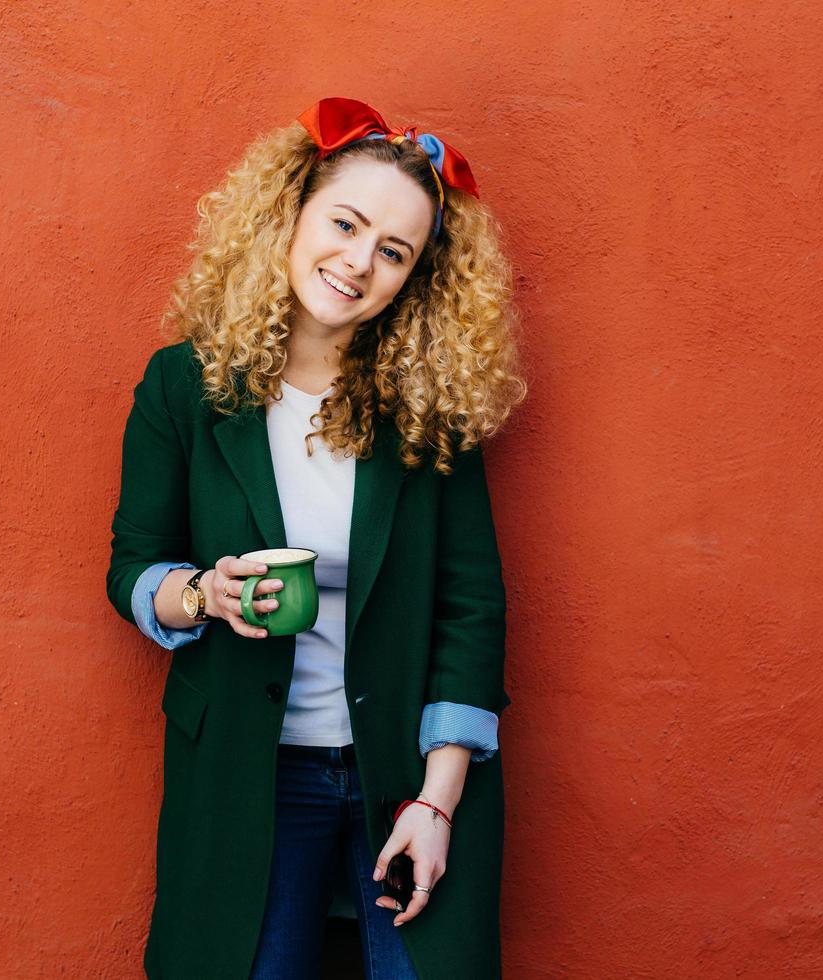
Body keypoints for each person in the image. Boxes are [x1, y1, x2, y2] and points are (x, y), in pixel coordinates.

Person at [106, 97, 526, 980]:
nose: (358, 262)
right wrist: (202, 595)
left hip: (403, 775)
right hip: (246, 778)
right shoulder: (184, 385)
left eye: (394, 251)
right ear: (289, 212)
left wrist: (437, 803)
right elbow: (134, 564)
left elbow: (470, 611)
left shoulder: (427, 407)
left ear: (415, 278)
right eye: (345, 222)